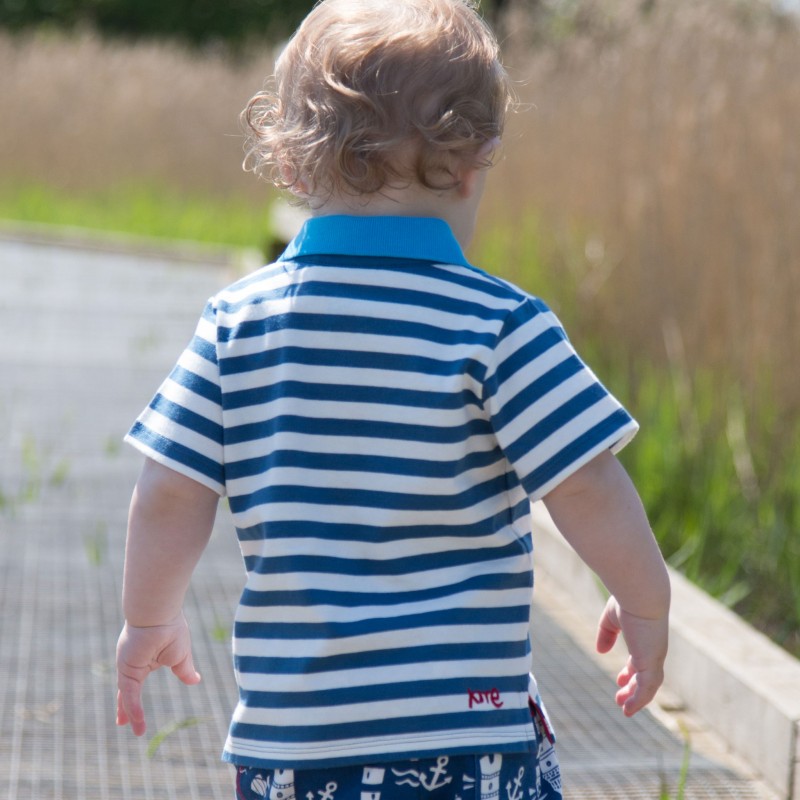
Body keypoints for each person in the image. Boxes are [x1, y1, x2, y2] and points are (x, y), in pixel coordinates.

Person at [115, 1, 670, 798]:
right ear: (477, 160)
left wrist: (149, 619)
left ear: (293, 166)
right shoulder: (499, 324)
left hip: (293, 740)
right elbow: (583, 482)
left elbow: (169, 490)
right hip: (464, 736)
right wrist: (646, 603)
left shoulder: (236, 323)